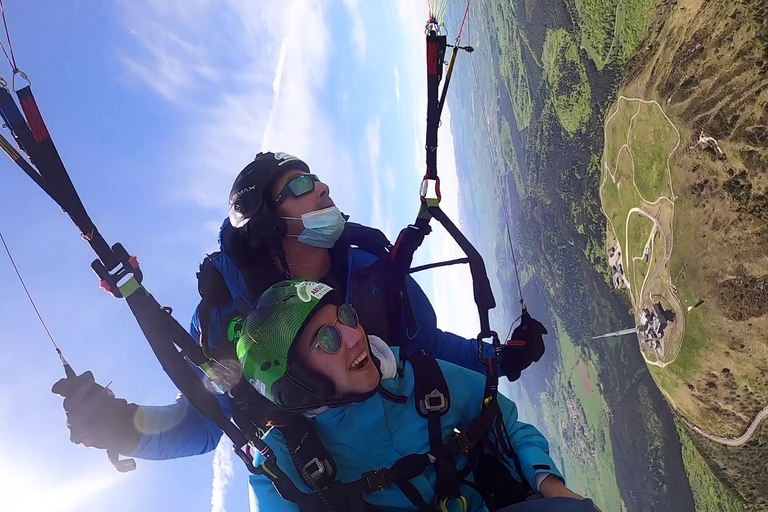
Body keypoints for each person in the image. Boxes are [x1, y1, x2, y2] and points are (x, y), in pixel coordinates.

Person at [52, 151, 547, 464]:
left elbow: (428, 348)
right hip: (341, 475)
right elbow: (205, 423)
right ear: (267, 225)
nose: (322, 187)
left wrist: (498, 361)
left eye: (313, 177)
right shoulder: (227, 326)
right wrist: (118, 425)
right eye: (299, 186)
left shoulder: (372, 272)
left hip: (417, 443)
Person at [238, 279, 599, 512]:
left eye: (346, 317)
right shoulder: (284, 470)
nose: (353, 336)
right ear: (297, 383)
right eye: (327, 339)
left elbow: (503, 422)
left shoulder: (422, 378)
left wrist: (549, 485)